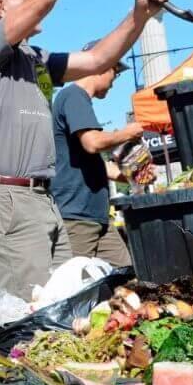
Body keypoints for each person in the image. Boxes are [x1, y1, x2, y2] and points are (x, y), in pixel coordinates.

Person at [0, 0, 169, 299]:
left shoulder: (35, 59)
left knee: (66, 305)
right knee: (22, 316)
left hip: (43, 199)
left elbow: (96, 61)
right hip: (7, 200)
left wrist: (139, 13)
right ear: (4, 8)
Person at [51, 47, 143, 268]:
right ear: (101, 66)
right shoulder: (74, 96)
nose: (114, 79)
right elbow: (92, 143)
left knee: (125, 274)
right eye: (115, 71)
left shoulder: (78, 100)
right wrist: (127, 133)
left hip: (96, 218)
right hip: (77, 218)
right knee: (74, 287)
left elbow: (92, 162)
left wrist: (131, 174)